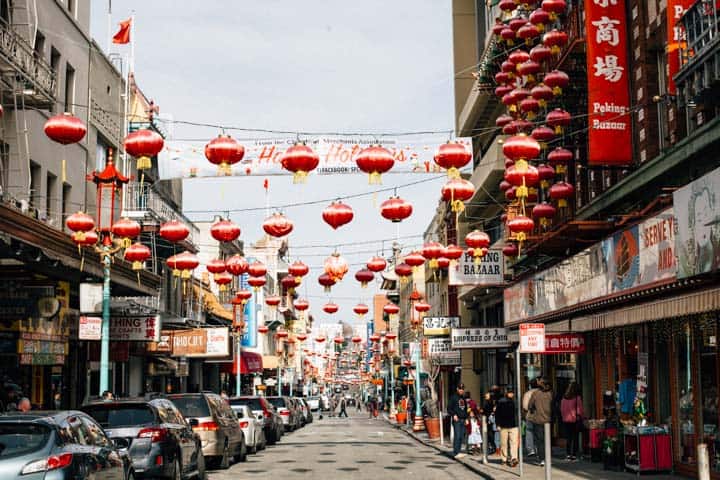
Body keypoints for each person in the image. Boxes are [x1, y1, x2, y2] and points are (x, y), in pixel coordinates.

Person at [527, 377, 553, 467]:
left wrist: (534, 408)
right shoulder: (551, 394)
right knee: (548, 439)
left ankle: (542, 459)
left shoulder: (536, 393)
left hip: (538, 419)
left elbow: (530, 405)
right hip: (549, 419)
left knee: (540, 440)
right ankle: (548, 457)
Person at [561, 382, 584, 461]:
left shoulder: (564, 398)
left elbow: (562, 409)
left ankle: (568, 454)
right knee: (575, 438)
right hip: (574, 420)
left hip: (566, 420)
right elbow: (579, 410)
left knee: (569, 438)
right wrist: (582, 417)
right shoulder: (577, 398)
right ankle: (574, 455)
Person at [496, 390, 519, 467]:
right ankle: (504, 459)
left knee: (514, 443)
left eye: (512, 392)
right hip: (504, 425)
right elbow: (497, 414)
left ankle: (514, 458)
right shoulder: (501, 401)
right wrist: (498, 424)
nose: (511, 394)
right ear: (506, 393)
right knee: (504, 443)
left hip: (514, 425)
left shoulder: (516, 401)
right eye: (509, 392)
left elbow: (518, 413)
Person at [448, 383, 469, 459]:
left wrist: (466, 418)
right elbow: (449, 408)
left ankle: (459, 451)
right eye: (460, 389)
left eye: (462, 389)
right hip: (457, 419)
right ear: (457, 389)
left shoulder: (463, 398)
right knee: (457, 435)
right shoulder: (453, 398)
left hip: (463, 419)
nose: (461, 390)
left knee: (461, 436)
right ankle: (456, 452)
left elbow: (465, 409)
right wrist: (454, 415)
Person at [523, 378, 540, 457]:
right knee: (539, 433)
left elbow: (525, 406)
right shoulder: (541, 393)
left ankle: (530, 449)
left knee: (529, 432)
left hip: (530, 415)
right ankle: (538, 449)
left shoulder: (527, 393)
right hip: (540, 416)